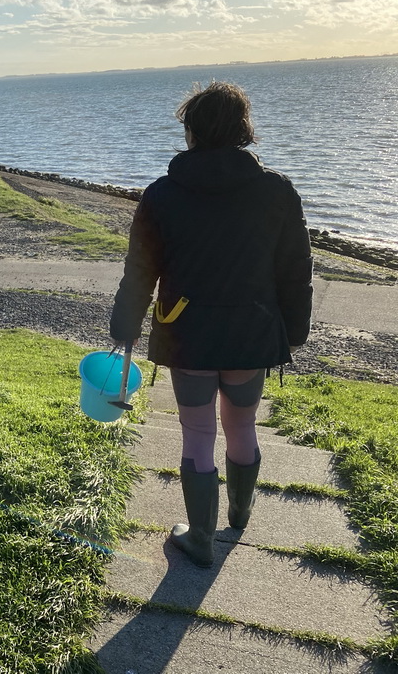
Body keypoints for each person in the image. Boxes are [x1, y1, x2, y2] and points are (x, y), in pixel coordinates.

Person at [110, 81, 313, 568]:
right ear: (244, 129)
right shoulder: (277, 191)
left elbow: (141, 270)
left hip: (189, 336)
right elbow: (295, 270)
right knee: (242, 425)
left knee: (198, 433)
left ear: (192, 131)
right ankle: (239, 515)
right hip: (252, 333)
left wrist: (125, 326)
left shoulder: (161, 195)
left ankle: (199, 536)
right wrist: (295, 331)